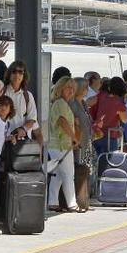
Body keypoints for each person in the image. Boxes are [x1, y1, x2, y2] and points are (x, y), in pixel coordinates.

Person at [0, 42, 39, 141]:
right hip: (0, 141)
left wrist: (23, 129)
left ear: (24, 76)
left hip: (19, 144)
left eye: (20, 72)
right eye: (14, 71)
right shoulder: (1, 88)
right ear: (9, 74)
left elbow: (32, 119)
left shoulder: (28, 96)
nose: (17, 74)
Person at [47, 77, 79, 213]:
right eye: (67, 87)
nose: (71, 90)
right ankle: (72, 204)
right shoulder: (61, 104)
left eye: (72, 88)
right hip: (62, 145)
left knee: (57, 175)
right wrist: (74, 137)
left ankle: (53, 202)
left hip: (55, 145)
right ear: (60, 89)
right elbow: (62, 121)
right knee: (68, 174)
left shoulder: (59, 103)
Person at [69, 78, 94, 212]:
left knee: (86, 170)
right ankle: (79, 200)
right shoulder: (73, 104)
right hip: (78, 142)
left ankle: (85, 199)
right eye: (85, 88)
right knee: (78, 170)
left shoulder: (83, 103)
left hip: (87, 142)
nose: (86, 91)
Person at [93, 77, 127, 156]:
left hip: (96, 135)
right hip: (109, 136)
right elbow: (125, 119)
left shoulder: (102, 98)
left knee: (97, 163)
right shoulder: (118, 103)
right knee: (109, 163)